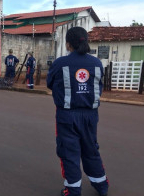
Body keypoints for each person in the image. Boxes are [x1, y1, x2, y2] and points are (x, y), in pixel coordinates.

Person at [46, 27, 109, 196]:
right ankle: (102, 186)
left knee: (69, 152)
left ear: (68, 44)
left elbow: (50, 83)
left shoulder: (60, 63)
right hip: (90, 115)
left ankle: (73, 191)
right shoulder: (96, 63)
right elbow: (98, 86)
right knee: (91, 149)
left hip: (67, 116)